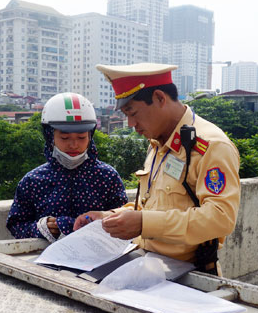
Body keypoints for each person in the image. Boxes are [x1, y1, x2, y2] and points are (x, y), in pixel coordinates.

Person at [73, 63, 240, 275]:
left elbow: (221, 218)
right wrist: (109, 216)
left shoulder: (211, 146)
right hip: (147, 265)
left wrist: (144, 223)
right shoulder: (158, 143)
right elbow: (152, 205)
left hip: (190, 277)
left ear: (160, 98)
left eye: (133, 112)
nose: (131, 123)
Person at [7, 92, 127, 242]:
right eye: (64, 138)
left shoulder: (107, 176)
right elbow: (16, 224)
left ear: (90, 136)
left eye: (81, 138)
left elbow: (124, 220)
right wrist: (42, 227)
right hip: (44, 261)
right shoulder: (33, 180)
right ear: (50, 137)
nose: (74, 144)